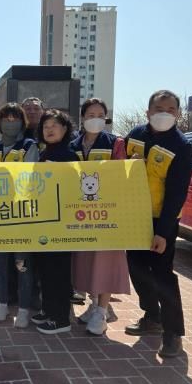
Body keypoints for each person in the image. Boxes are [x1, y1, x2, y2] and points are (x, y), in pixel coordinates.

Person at [124, 90, 192, 358]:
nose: (165, 113)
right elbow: (117, 168)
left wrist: (163, 232)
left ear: (178, 113)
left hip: (161, 219)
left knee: (163, 274)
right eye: (159, 108)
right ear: (148, 112)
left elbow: (177, 194)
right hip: (134, 215)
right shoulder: (135, 136)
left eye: (171, 109)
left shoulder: (181, 146)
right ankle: (152, 316)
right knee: (137, 267)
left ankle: (173, 333)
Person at [71, 98, 131, 336]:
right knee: (86, 260)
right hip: (81, 213)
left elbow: (122, 174)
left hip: (108, 212)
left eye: (100, 115)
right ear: (82, 118)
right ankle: (93, 304)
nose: (95, 119)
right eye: (90, 115)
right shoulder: (74, 144)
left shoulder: (115, 143)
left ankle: (102, 312)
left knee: (106, 260)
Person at [0, 103, 40, 328]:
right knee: (0, 263)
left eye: (15, 119)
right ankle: (2, 304)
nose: (10, 123)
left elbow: (30, 177)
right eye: (6, 119)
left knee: (22, 264)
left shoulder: (29, 146)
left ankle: (24, 309)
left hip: (22, 216)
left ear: (22, 122)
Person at [32, 109, 78, 334]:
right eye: (45, 126)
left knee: (58, 270)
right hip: (45, 220)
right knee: (45, 269)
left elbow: (72, 189)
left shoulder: (69, 155)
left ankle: (60, 318)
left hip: (61, 223)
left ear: (65, 129)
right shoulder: (45, 152)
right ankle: (48, 310)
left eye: (54, 125)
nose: (49, 130)